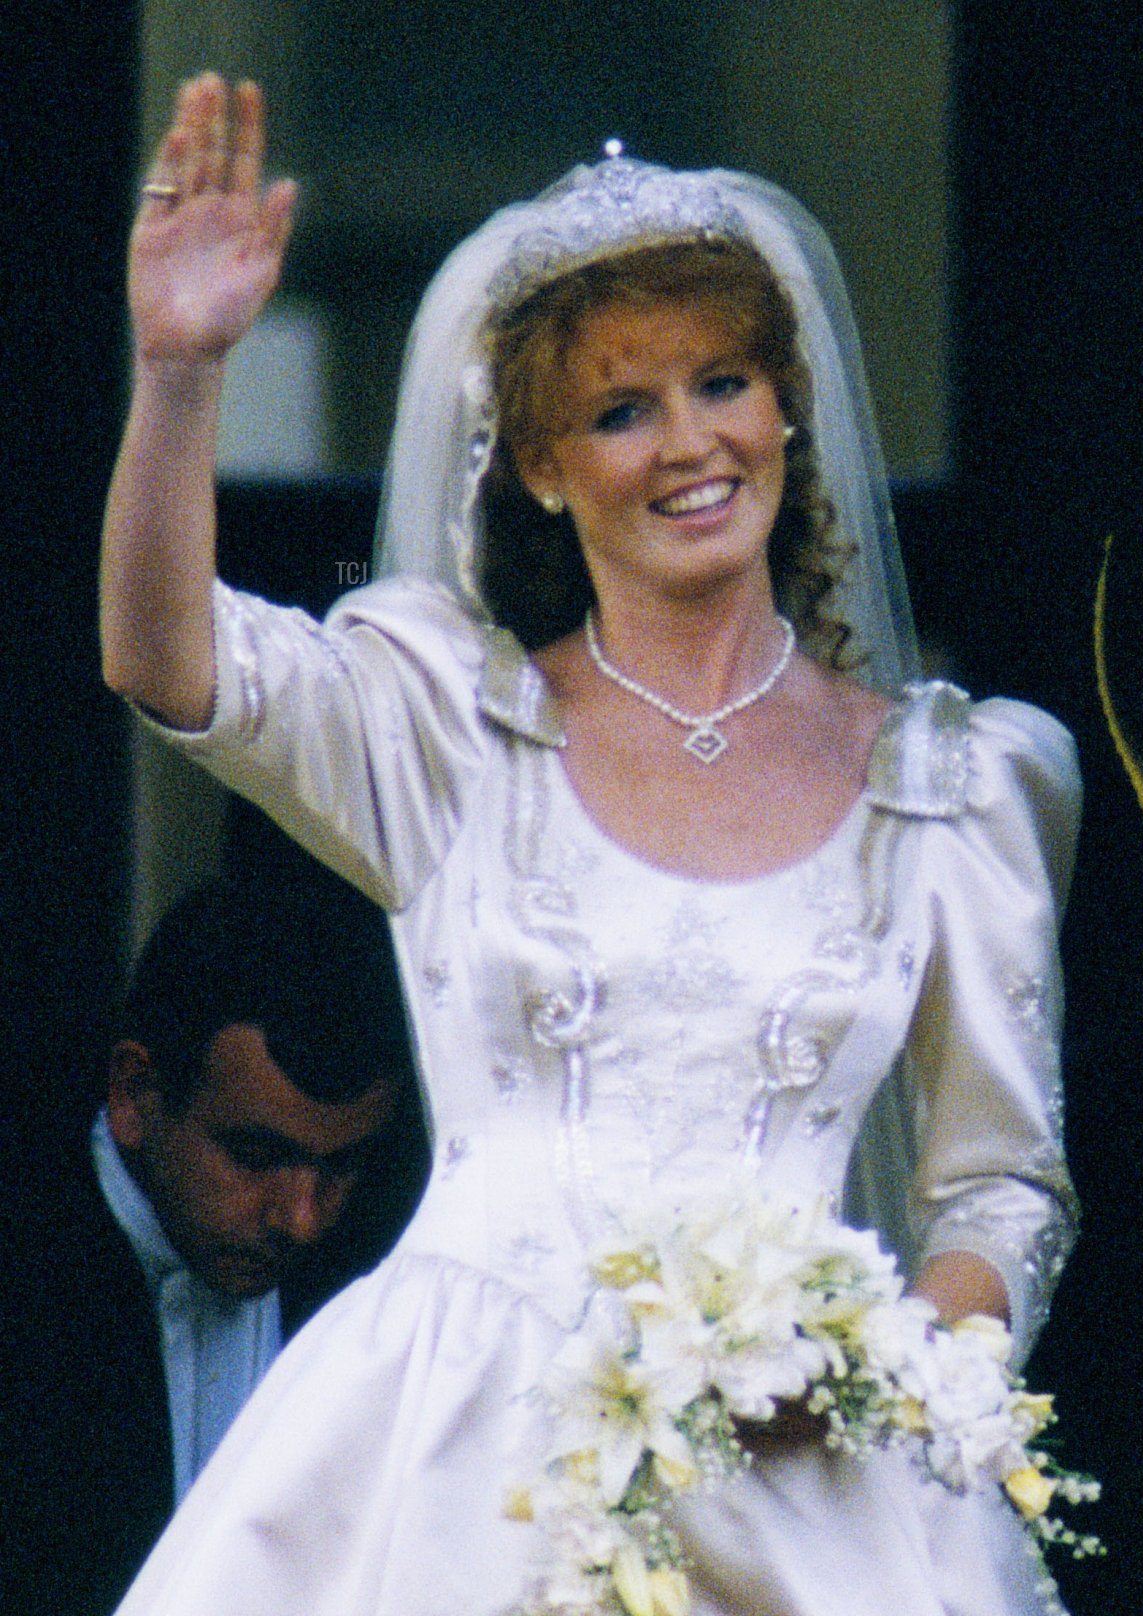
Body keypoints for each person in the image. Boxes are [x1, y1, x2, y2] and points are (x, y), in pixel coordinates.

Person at [98, 72, 1083, 1616]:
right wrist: (178, 372)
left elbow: (998, 1193)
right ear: (545, 469)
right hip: (453, 1460)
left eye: (723, 384)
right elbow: (170, 664)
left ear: (786, 405)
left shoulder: (951, 788)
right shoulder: (447, 727)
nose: (690, 442)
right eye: (622, 410)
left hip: (811, 1492)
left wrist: (877, 1376)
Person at [3, 869, 419, 1616]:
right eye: (256, 1156)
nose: (303, 1219)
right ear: (134, 1095)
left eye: (341, 1166)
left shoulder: (397, 1260)